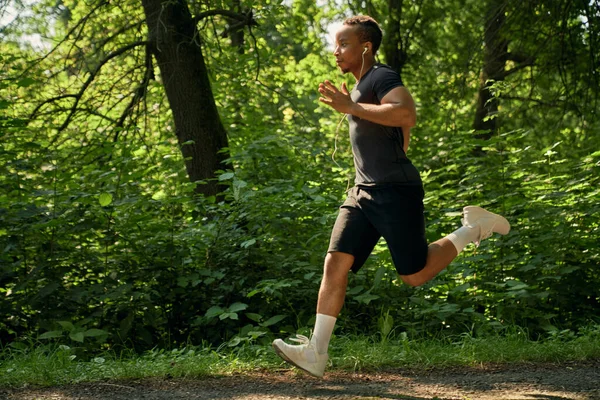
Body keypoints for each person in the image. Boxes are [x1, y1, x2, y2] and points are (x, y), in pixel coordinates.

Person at [272, 15, 510, 378]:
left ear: (366, 46)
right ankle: (316, 353)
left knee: (414, 274)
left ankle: (473, 228)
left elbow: (406, 113)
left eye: (344, 44)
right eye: (336, 44)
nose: (335, 51)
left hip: (395, 191)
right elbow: (400, 129)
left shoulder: (380, 76)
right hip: (362, 192)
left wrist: (351, 108)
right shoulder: (358, 86)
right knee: (335, 262)